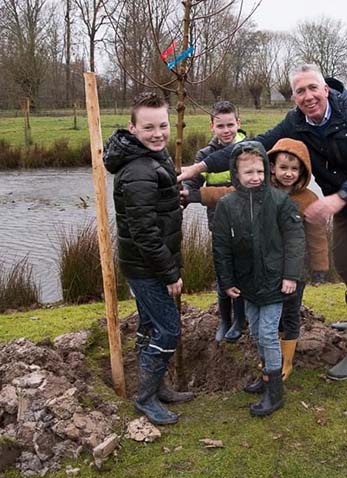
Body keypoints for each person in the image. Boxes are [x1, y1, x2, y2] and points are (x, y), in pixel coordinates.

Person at [178, 64, 347, 382]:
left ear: (325, 88)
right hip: (342, 200)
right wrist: (197, 166)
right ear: (294, 97)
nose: (308, 96)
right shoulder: (296, 122)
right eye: (300, 91)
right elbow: (252, 146)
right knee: (346, 263)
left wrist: (339, 198)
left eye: (313, 88)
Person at [103, 92, 193, 426]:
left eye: (163, 125)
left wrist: (174, 198)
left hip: (146, 263)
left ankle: (158, 387)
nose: (158, 133)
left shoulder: (150, 157)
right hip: (147, 267)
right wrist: (170, 274)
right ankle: (146, 398)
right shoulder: (139, 168)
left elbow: (151, 212)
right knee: (168, 329)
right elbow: (144, 233)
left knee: (151, 325)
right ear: (133, 127)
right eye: (149, 127)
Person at [212, 141, 305, 416]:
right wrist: (227, 281)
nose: (255, 177)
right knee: (254, 331)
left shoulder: (280, 201)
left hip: (276, 282)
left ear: (266, 169)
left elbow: (295, 239)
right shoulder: (227, 205)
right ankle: (267, 375)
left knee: (267, 333)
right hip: (246, 283)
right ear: (236, 174)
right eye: (248, 172)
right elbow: (220, 246)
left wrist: (291, 275)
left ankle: (275, 393)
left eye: (260, 171)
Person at [182, 100, 247, 343]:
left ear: (238, 123)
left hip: (246, 224)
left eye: (230, 124)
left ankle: (241, 320)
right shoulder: (204, 156)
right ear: (212, 126)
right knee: (223, 273)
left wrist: (197, 195)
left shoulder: (250, 149)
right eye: (221, 125)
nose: (226, 130)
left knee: (241, 272)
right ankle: (225, 319)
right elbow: (192, 184)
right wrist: (184, 193)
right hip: (218, 224)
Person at [267, 138, 329, 381]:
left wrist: (320, 267)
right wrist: (198, 194)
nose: (289, 174)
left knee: (291, 312)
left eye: (295, 169)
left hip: (296, 270)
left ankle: (287, 361)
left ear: (303, 171)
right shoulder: (262, 191)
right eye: (284, 168)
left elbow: (317, 236)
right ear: (272, 167)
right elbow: (230, 194)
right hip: (269, 267)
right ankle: (272, 354)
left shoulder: (309, 199)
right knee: (272, 313)